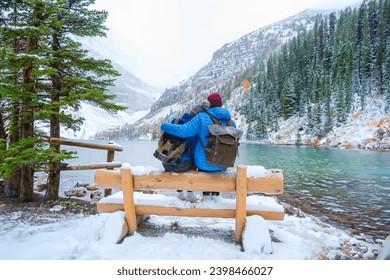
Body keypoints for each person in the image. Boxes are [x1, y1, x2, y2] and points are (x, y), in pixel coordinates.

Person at [160, 92, 236, 200]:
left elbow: (182, 131)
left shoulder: (202, 117)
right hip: (224, 163)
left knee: (203, 160)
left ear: (209, 104)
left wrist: (164, 126)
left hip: (204, 163)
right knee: (215, 165)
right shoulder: (231, 122)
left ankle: (206, 198)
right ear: (221, 104)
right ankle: (215, 198)